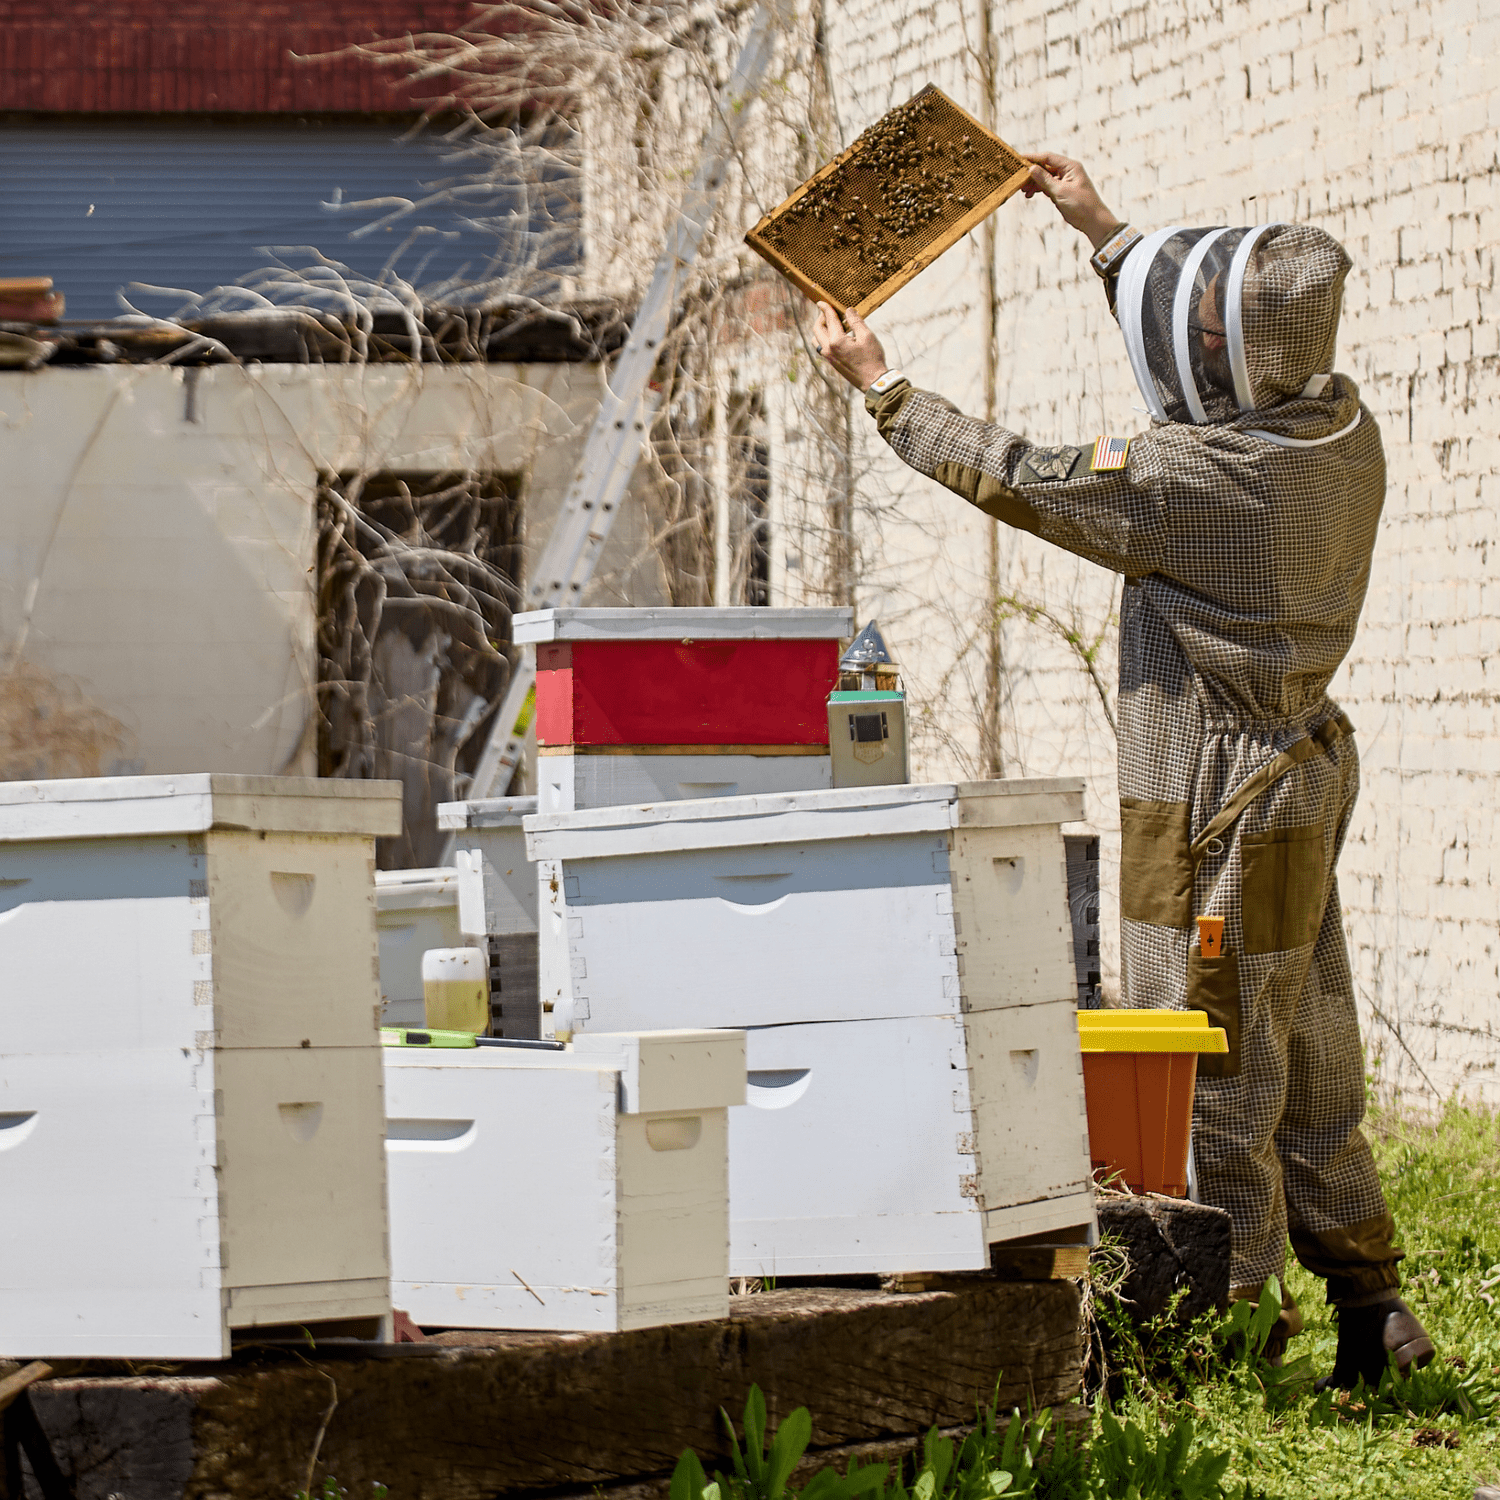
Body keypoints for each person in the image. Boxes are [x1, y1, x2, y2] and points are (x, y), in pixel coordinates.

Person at [813, 151, 1434, 1390]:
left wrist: (885, 391)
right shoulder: (1336, 423)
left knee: (1201, 1059)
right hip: (1297, 782)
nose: (1190, 341)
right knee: (1307, 1039)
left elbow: (1019, 474)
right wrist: (1103, 231)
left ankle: (1230, 1326)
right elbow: (1209, 344)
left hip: (1206, 802)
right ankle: (1373, 1298)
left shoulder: (1192, 480)